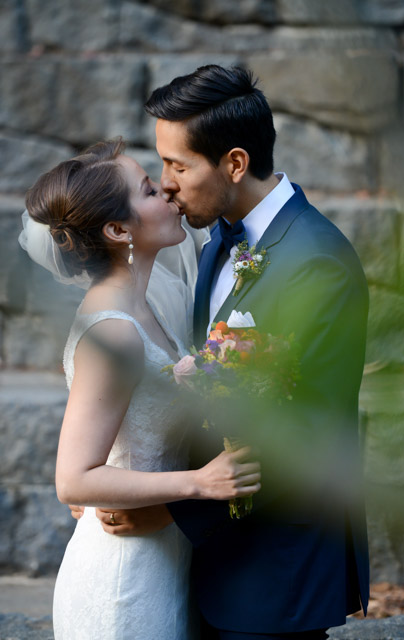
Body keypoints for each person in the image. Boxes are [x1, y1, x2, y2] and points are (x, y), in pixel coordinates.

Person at [89, 65, 370, 639]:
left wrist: (162, 509)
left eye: (178, 165)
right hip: (208, 558)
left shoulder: (315, 264)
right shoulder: (222, 236)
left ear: (235, 164)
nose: (166, 183)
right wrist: (124, 479)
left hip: (271, 574)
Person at [19, 138, 261, 640]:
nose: (170, 194)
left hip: (165, 556)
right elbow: (74, 479)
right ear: (116, 229)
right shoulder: (113, 331)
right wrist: (199, 483)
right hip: (122, 583)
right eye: (150, 190)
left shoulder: (148, 301)